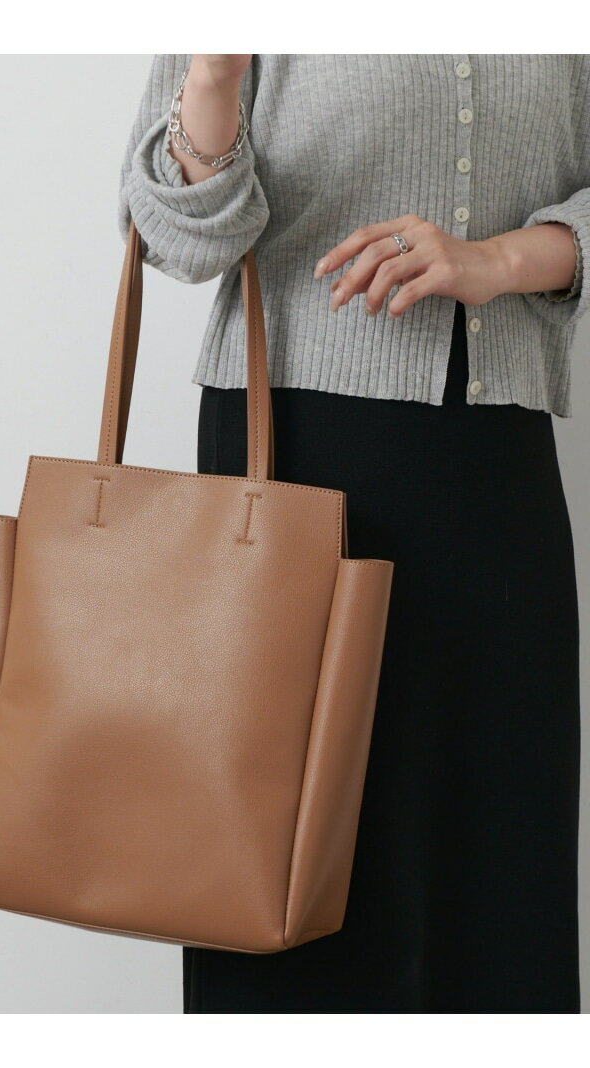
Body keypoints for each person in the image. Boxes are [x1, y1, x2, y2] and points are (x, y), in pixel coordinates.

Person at [117, 53, 587, 1013]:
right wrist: (212, 81)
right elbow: (175, 237)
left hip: (497, 467)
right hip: (290, 456)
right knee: (276, 860)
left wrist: (499, 259)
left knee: (495, 862)